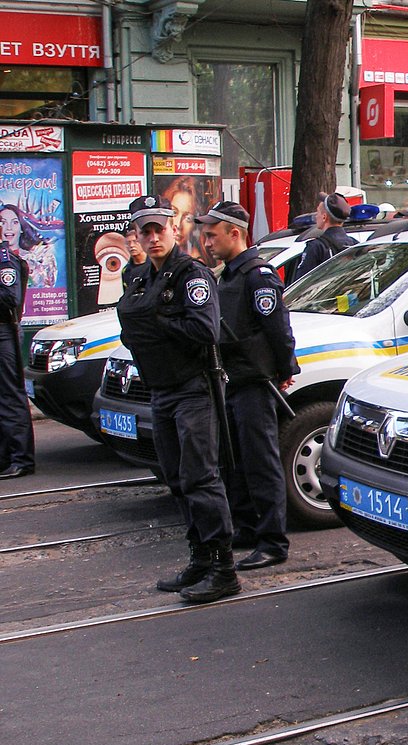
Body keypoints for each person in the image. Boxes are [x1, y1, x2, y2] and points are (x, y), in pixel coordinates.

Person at [118, 195, 240, 603]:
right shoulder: (141, 279)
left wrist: (158, 321)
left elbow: (206, 330)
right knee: (176, 478)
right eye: (144, 230)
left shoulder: (191, 276)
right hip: (162, 390)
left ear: (174, 230)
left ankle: (224, 569)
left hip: (194, 389)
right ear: (136, 234)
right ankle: (201, 558)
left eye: (159, 229)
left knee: (201, 477)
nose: (152, 237)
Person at [197, 201, 299, 570]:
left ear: (235, 234)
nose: (206, 241)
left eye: (212, 234)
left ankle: (272, 540)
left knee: (261, 462)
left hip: (255, 382)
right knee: (234, 459)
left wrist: (285, 368)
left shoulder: (258, 276)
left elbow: (278, 330)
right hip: (234, 379)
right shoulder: (229, 275)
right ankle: (247, 526)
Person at [0, 239, 34, 479]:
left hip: (3, 331)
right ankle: (5, 458)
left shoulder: (4, 260)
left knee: (10, 395)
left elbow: (10, 298)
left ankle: (21, 458)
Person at [287, 192, 355, 284]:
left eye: (318, 212)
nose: (316, 216)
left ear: (324, 217)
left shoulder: (316, 247)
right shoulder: (354, 244)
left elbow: (300, 284)